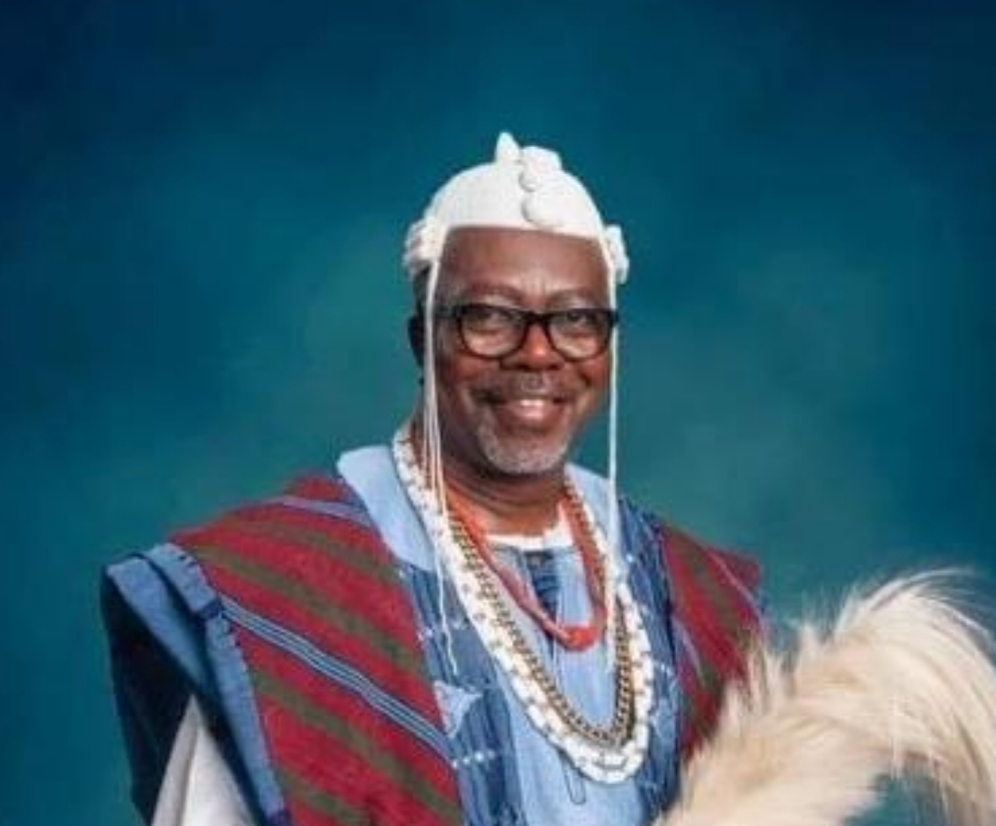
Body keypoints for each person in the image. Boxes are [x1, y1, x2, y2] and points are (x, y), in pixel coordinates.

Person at [101, 133, 764, 826]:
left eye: (575, 320)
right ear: (422, 339)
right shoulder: (283, 593)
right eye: (490, 318)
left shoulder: (697, 599)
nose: (538, 353)